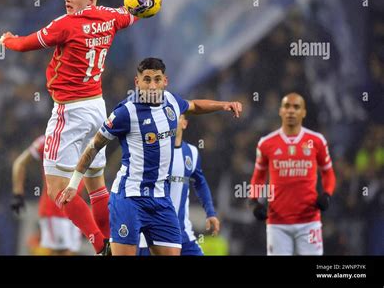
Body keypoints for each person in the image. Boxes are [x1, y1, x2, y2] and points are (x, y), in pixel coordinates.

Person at [0, 0, 160, 254]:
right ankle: (111, 240)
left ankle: (100, 245)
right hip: (97, 108)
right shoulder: (111, 17)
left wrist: (7, 39)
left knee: (57, 189)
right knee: (96, 184)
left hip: (69, 111)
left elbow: (24, 45)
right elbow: (137, 9)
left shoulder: (66, 24)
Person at [58, 57, 242, 255]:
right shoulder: (125, 112)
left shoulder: (172, 101)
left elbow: (195, 106)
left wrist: (223, 105)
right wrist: (73, 183)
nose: (152, 85)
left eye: (157, 79)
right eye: (147, 79)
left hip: (160, 200)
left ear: (165, 81)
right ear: (137, 82)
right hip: (129, 199)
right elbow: (93, 146)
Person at [249, 93, 336, 255]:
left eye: (296, 107)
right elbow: (259, 176)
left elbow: (328, 172)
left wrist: (327, 195)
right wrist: (254, 202)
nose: (291, 111)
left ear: (304, 112)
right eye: (287, 106)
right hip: (277, 222)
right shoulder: (266, 143)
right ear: (280, 111)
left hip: (309, 220)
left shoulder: (317, 141)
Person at [138, 114, 220, 256]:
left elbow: (200, 182)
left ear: (184, 124)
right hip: (152, 233)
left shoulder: (192, 152)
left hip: (182, 232)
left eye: (176, 116)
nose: (171, 120)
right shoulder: (153, 151)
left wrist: (210, 212)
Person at [11, 135, 82, 255]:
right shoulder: (47, 140)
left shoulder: (87, 140)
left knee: (69, 252)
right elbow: (20, 163)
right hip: (54, 210)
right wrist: (18, 193)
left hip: (75, 212)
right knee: (62, 252)